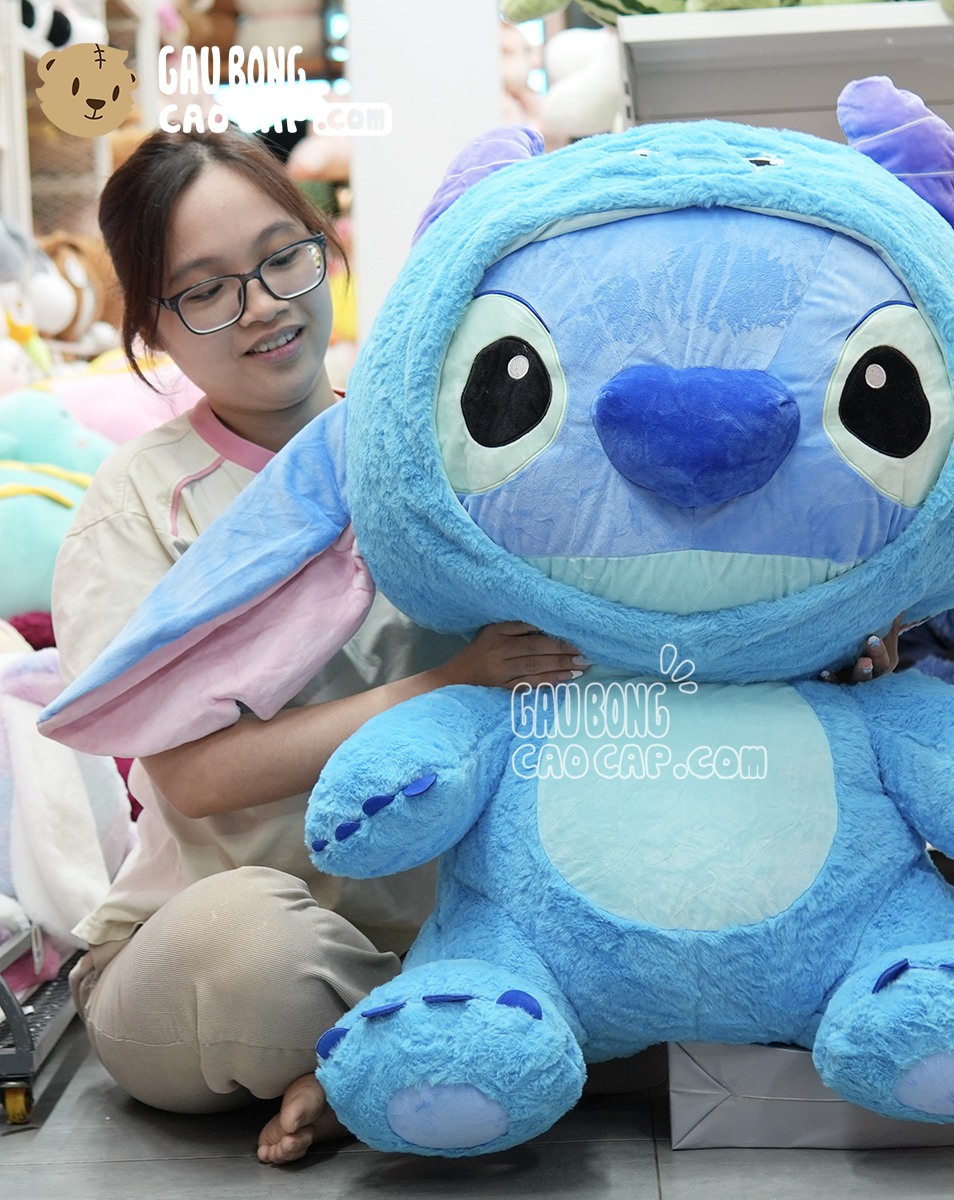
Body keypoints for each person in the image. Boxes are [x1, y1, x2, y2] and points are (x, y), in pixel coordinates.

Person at [50, 129, 585, 1165]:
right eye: (206, 290)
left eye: (281, 258)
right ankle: (427, 1048)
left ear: (323, 251)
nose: (261, 305)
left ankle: (388, 1064)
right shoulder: (139, 504)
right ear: (151, 324)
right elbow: (195, 777)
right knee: (257, 948)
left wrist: (836, 651)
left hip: (448, 930)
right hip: (218, 954)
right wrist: (448, 685)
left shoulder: (438, 449)